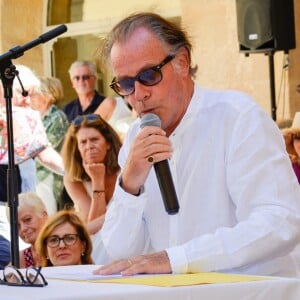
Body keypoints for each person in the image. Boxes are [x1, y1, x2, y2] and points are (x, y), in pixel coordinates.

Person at [92, 12, 300, 278]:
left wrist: (179, 258)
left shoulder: (238, 117)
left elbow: (280, 221)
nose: (139, 94)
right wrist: (129, 185)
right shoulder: (135, 137)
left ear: (182, 62)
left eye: (149, 75)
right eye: (126, 83)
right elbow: (120, 252)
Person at [61, 114, 122, 232]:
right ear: (77, 148)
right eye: (83, 142)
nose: (89, 146)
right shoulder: (72, 179)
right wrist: (97, 181)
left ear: (108, 143)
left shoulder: (125, 166)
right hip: (97, 242)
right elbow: (94, 225)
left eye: (94, 139)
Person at [28, 76, 69, 214]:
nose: (30, 97)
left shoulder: (57, 117)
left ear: (48, 96)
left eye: (35, 93)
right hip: (35, 178)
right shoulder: (35, 117)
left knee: (47, 219)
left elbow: (42, 151)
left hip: (48, 177)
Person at [14, 192, 48, 268]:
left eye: (27, 219)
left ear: (44, 215)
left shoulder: (61, 248)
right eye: (17, 225)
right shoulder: (20, 259)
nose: (23, 229)